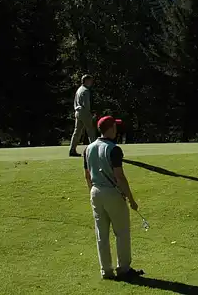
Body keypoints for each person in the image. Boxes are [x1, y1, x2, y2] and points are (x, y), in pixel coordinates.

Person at [83, 115, 144, 281]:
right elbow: (120, 177)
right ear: (110, 129)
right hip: (112, 193)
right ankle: (124, 269)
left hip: (95, 192)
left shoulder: (88, 148)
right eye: (115, 127)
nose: (117, 130)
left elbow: (87, 175)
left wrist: (92, 192)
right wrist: (131, 199)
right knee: (121, 232)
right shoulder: (114, 149)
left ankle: (106, 271)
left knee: (101, 233)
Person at [69, 74, 96, 157]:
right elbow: (87, 104)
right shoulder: (85, 91)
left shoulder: (79, 89)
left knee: (77, 132)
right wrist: (91, 114)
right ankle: (94, 151)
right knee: (91, 131)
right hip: (84, 112)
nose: (91, 82)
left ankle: (72, 149)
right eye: (90, 80)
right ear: (86, 81)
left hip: (78, 112)